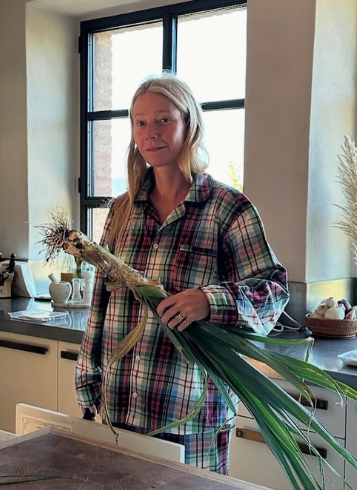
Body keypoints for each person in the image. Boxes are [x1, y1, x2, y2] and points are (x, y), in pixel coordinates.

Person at [75, 73, 289, 475]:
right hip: (119, 407)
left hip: (190, 415)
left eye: (163, 119)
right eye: (140, 122)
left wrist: (210, 301)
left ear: (189, 124)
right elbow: (100, 303)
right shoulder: (122, 210)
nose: (150, 133)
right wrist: (89, 386)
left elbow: (274, 290)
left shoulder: (228, 209)